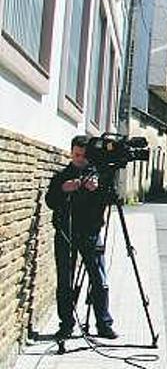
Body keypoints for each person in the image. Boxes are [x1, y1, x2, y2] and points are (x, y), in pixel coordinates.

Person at [46, 135, 117, 340]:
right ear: (71, 153)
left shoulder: (98, 174)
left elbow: (112, 199)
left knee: (98, 278)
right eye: (76, 155)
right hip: (65, 234)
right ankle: (66, 324)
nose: (79, 159)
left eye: (83, 156)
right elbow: (50, 201)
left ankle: (103, 324)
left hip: (90, 233)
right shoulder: (61, 175)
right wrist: (63, 189)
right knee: (65, 281)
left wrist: (98, 189)